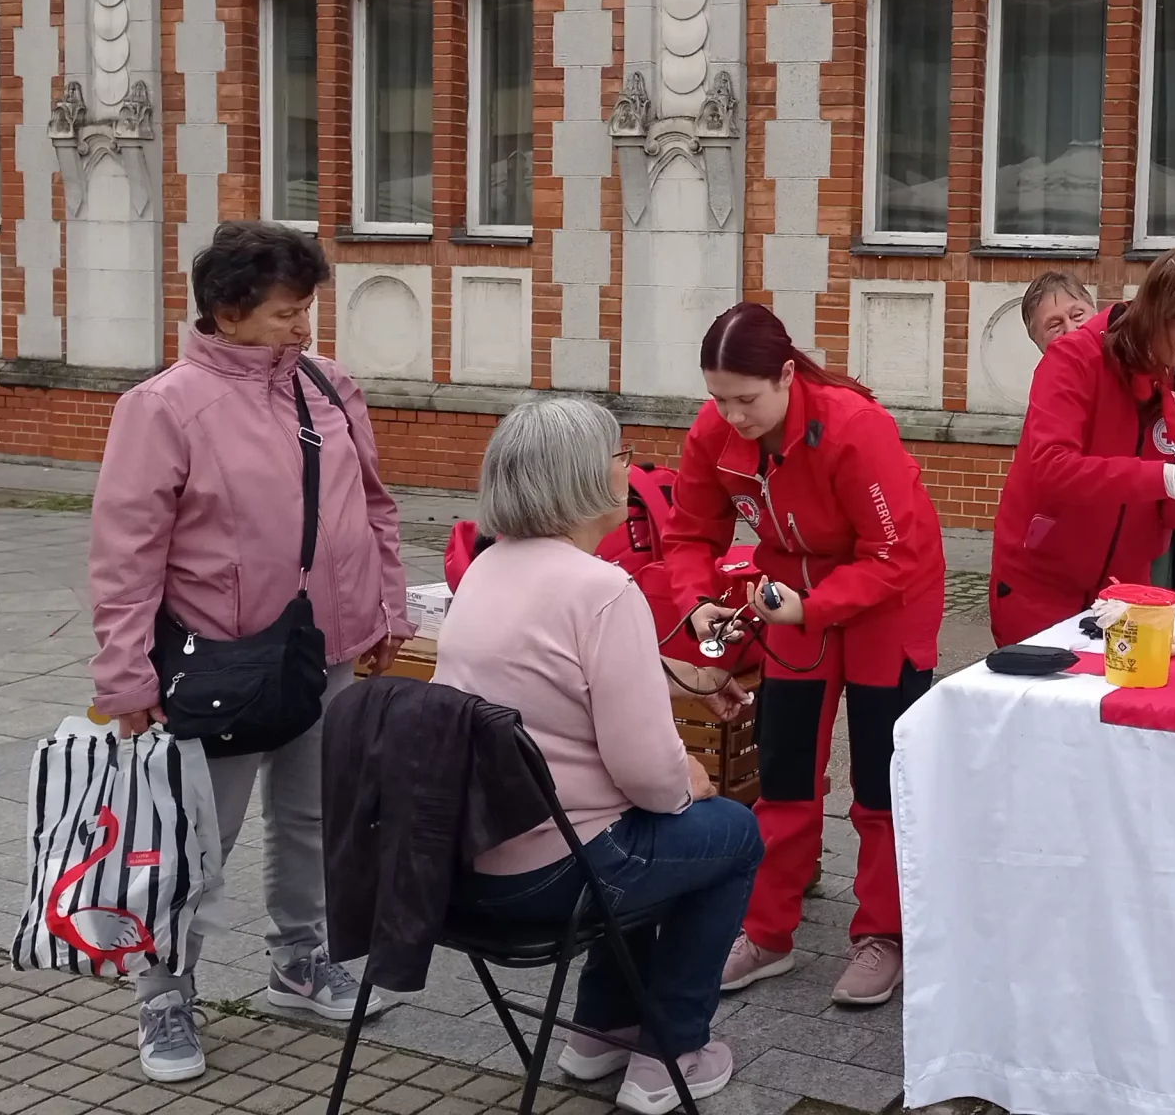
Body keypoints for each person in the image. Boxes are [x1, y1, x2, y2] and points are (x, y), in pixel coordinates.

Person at [88, 222, 410, 1083]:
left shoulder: (329, 386)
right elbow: (125, 555)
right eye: (282, 312)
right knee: (197, 839)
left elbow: (373, 507)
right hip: (221, 663)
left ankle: (300, 962)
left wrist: (387, 610)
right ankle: (164, 995)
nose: (302, 326)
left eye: (307, 308)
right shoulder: (161, 408)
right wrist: (125, 674)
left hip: (328, 648)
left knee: (313, 819)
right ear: (226, 314)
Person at [436, 399, 763, 1115]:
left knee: (650, 835)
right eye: (623, 456)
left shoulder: (485, 571)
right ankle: (670, 1051)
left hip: (461, 866)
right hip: (549, 879)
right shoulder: (602, 589)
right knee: (731, 834)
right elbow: (650, 778)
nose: (634, 471)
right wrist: (691, 781)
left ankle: (599, 1031)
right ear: (582, 478)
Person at [661, 303, 946, 1008]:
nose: (731, 417)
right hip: (791, 593)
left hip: (888, 599)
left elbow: (893, 555)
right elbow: (689, 534)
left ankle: (884, 935)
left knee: (881, 779)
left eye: (746, 400)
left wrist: (811, 607)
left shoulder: (854, 427)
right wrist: (696, 603)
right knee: (786, 774)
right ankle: (766, 933)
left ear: (788, 375)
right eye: (718, 399)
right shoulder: (715, 429)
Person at [991, 249, 1175, 645]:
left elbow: (1171, 496)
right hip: (1044, 579)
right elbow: (1054, 468)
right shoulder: (1073, 358)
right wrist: (1164, 478)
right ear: (1159, 308)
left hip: (1125, 587)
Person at [1019, 271, 1175, 604]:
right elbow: (1055, 471)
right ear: (1037, 343)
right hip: (1073, 570)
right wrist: (1166, 482)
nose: (1070, 330)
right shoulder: (1064, 380)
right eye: (1053, 327)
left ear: (1094, 311)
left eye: (1077, 316)